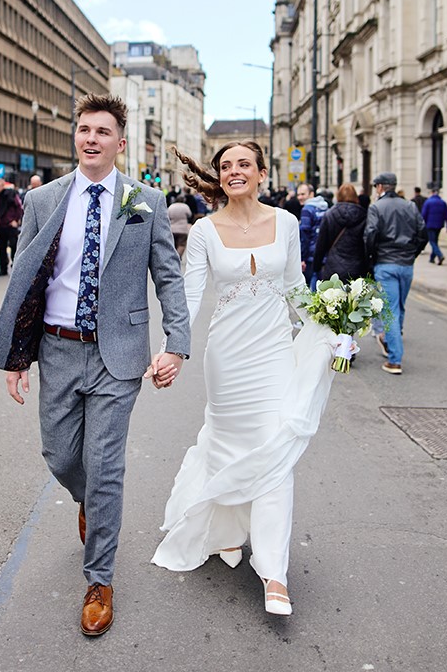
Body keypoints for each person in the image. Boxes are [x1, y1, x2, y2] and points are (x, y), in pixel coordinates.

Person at [0, 93, 189, 637]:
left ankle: (99, 579)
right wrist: (16, 355)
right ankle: (87, 501)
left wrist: (176, 342)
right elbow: (24, 282)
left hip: (118, 355)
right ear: (74, 137)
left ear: (120, 143)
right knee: (59, 453)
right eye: (84, 130)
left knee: (105, 466)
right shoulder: (44, 201)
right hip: (57, 348)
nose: (91, 139)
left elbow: (167, 275)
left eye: (102, 131)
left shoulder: (143, 199)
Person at [154, 139, 338, 618]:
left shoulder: (288, 223)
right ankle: (227, 531)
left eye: (244, 164)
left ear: (260, 172)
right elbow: (191, 295)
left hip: (276, 353)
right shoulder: (203, 230)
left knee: (274, 452)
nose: (235, 171)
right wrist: (174, 348)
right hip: (227, 358)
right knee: (227, 447)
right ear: (220, 176)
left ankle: (274, 570)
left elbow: (296, 289)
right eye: (226, 165)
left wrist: (332, 330)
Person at [365, 172, 427, 375]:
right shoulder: (410, 205)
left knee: (390, 311)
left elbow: (371, 235)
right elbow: (422, 233)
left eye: (376, 187)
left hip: (385, 263)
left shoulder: (376, 207)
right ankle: (391, 340)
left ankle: (394, 359)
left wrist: (372, 258)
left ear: (381, 187)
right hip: (406, 264)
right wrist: (412, 254)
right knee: (399, 306)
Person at [312, 183, 369, 282]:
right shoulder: (363, 215)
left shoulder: (329, 215)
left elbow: (321, 244)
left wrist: (316, 266)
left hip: (333, 266)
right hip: (357, 266)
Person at [298, 184, 329, 284]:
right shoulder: (325, 207)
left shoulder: (307, 209)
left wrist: (302, 257)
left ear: (311, 194)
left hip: (311, 254)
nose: (300, 197)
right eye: (298, 194)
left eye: (303, 194)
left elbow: (305, 235)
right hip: (325, 252)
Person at [0, 175, 24, 276]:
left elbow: (19, 207)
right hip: (0, 226)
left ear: (3, 185)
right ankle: (3, 269)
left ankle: (15, 267)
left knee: (14, 246)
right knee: (1, 248)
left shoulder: (10, 194)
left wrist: (16, 220)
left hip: (10, 225)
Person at [420, 186, 447, 266]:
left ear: (432, 193)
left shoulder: (428, 202)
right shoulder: (442, 202)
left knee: (432, 241)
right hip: (439, 225)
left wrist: (421, 224)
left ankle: (440, 255)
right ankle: (432, 258)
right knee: (435, 241)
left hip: (430, 225)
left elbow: (423, 214)